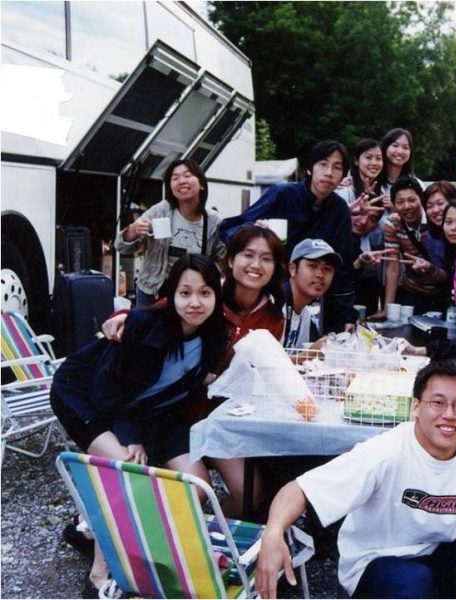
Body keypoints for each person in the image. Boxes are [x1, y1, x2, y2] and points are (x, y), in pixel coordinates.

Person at [255, 359, 456, 599]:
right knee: (414, 581)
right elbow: (299, 489)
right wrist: (273, 532)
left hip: (439, 560)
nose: (449, 414)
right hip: (377, 569)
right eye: (437, 402)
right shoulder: (386, 450)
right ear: (415, 407)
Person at [50, 254, 228, 596]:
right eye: (185, 293)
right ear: (171, 295)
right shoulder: (147, 327)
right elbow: (106, 389)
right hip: (83, 396)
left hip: (148, 413)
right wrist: (130, 436)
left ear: (216, 296)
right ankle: (99, 576)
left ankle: (93, 531)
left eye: (205, 293)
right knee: (129, 476)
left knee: (197, 484)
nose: (195, 302)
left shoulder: (215, 336)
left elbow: (179, 389)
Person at [102, 226, 287, 518]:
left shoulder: (273, 317)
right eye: (248, 255)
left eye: (266, 258)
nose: (256, 265)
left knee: (249, 495)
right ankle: (158, 528)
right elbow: (164, 309)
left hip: (222, 421)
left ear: (275, 267)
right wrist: (123, 314)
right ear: (231, 260)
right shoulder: (208, 293)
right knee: (194, 490)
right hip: (178, 414)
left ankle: (210, 534)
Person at [218, 140, 357, 334]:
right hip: (268, 292)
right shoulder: (283, 194)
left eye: (336, 167)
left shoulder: (340, 210)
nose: (328, 173)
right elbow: (228, 228)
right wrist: (253, 231)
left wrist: (347, 314)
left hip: (308, 300)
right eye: (323, 164)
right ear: (309, 168)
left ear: (343, 176)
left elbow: (343, 267)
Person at [115, 159, 226, 308]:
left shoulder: (213, 220)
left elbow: (223, 258)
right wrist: (133, 230)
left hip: (192, 293)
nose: (181, 181)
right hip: (153, 292)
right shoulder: (161, 211)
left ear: (201, 184)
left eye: (187, 176)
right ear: (171, 187)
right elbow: (121, 247)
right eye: (175, 178)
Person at [376, 177, 451, 317]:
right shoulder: (393, 224)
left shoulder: (435, 219)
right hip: (412, 292)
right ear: (394, 205)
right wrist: (387, 308)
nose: (407, 206)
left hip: (441, 293)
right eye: (400, 202)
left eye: (412, 200)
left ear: (421, 200)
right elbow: (392, 268)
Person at [282, 239, 342, 349]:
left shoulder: (305, 314)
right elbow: (261, 359)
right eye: (313, 266)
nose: (320, 274)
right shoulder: (274, 305)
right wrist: (309, 353)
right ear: (292, 269)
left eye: (327, 269)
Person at [421, 180, 456, 274]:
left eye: (440, 203)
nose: (435, 210)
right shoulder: (431, 238)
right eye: (429, 206)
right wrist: (430, 268)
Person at [376, 127, 417, 197]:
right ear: (385, 148)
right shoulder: (371, 181)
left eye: (405, 147)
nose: (400, 151)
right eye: (395, 146)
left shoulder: (415, 184)